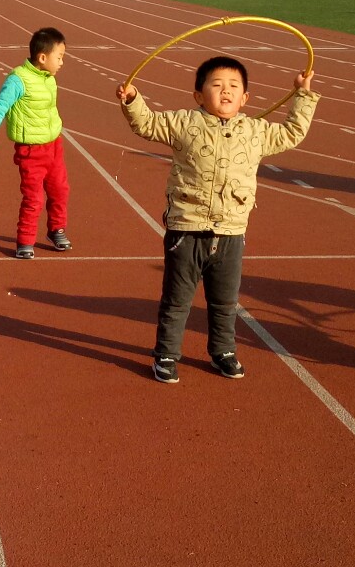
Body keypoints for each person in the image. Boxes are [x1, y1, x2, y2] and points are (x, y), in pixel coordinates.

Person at [117, 55, 319, 384]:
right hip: (187, 229)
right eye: (217, 84)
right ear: (198, 95)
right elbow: (147, 124)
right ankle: (166, 354)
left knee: (225, 302)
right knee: (177, 300)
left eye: (234, 86)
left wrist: (303, 94)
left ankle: (223, 351)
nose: (226, 91)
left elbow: (292, 132)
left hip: (231, 233)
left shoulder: (256, 131)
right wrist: (132, 100)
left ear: (245, 98)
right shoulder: (183, 123)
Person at [0, 26, 72, 259]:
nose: (62, 63)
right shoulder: (18, 80)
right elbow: (0, 107)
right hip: (31, 152)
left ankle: (56, 229)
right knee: (33, 198)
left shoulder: (49, 79)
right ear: (42, 57)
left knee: (60, 190)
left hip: (54, 147)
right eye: (59, 57)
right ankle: (25, 241)